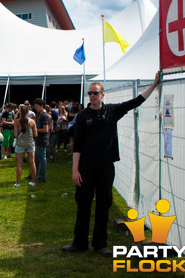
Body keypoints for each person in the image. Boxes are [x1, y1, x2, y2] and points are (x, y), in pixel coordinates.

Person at [64, 75, 161, 256]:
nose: (92, 96)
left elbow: (136, 102)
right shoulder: (82, 116)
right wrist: (75, 170)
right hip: (86, 167)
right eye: (90, 93)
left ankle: (100, 244)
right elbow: (77, 144)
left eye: (95, 93)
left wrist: (154, 85)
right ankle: (79, 243)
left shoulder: (112, 111)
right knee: (83, 205)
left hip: (106, 167)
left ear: (103, 95)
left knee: (103, 205)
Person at [13, 105, 36, 187]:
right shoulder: (32, 122)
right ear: (28, 112)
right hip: (30, 143)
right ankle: (33, 181)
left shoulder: (17, 122)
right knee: (32, 162)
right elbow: (35, 134)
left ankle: (18, 183)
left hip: (20, 143)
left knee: (19, 163)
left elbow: (15, 134)